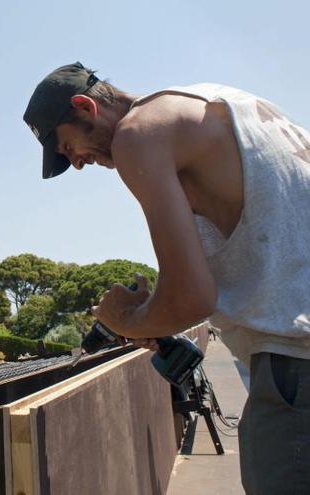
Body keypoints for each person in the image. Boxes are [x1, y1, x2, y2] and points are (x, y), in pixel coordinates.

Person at [23, 62, 310, 494]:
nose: (77, 164)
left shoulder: (138, 135)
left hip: (297, 360)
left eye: (67, 147)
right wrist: (153, 312)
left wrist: (124, 320)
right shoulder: (214, 99)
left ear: (85, 107)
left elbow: (192, 298)